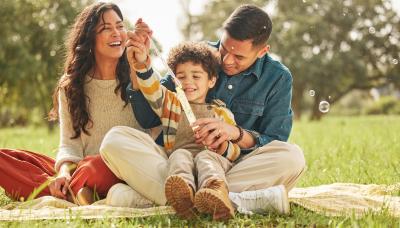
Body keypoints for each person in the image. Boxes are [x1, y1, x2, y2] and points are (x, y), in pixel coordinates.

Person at [100, 4, 305, 217]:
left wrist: (235, 135)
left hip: (231, 166)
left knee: (292, 157)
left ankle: (174, 200)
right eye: (224, 49)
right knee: (115, 139)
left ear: (262, 51)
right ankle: (233, 200)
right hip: (175, 162)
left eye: (239, 57)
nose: (226, 61)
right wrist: (140, 65)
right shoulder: (196, 58)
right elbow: (149, 115)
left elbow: (274, 141)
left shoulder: (278, 78)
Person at [0, 2, 143, 205]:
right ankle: (69, 188)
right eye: (106, 28)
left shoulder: (137, 76)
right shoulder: (71, 85)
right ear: (89, 37)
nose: (116, 33)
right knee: (6, 158)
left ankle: (55, 190)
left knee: (96, 165)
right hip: (81, 169)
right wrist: (64, 173)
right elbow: (69, 145)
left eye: (120, 26)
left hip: (118, 169)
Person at [129, 37, 245, 219]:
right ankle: (183, 196)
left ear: (212, 81)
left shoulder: (221, 113)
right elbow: (152, 89)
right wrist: (142, 62)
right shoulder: (170, 104)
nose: (188, 82)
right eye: (181, 77)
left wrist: (221, 147)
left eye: (196, 76)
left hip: (213, 161)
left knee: (207, 157)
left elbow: (235, 152)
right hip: (181, 160)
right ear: (174, 81)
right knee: (179, 154)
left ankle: (215, 193)